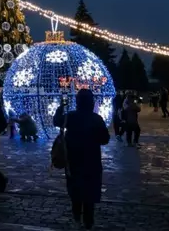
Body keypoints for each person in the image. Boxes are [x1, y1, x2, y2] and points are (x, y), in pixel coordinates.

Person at [63, 89, 110, 230]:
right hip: (91, 162)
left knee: (75, 193)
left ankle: (76, 219)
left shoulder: (71, 117)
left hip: (73, 161)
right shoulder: (96, 119)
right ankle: (88, 222)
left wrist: (62, 106)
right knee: (89, 194)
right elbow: (105, 139)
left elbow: (56, 121)